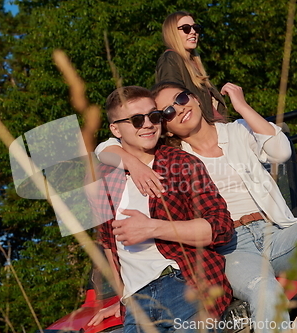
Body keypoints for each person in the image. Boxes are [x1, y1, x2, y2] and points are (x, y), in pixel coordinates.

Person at [95, 82, 297, 333]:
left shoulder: (237, 131)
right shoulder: (173, 157)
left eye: (181, 99)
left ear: (195, 98)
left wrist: (241, 106)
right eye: (168, 112)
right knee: (265, 291)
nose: (179, 109)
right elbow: (105, 148)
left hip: (275, 230)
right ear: (167, 127)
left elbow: (281, 151)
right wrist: (131, 161)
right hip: (232, 246)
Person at [87, 86, 234, 333]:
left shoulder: (181, 164)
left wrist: (152, 228)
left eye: (153, 116)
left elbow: (220, 228)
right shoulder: (101, 182)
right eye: (136, 120)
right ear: (115, 129)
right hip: (137, 303)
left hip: (184, 283)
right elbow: (109, 245)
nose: (148, 125)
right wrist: (123, 298)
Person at [156, 11, 227, 123]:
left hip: (213, 128)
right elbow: (172, 102)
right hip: (198, 133)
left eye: (196, 28)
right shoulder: (170, 58)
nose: (193, 32)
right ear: (172, 33)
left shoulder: (193, 63)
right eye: (186, 28)